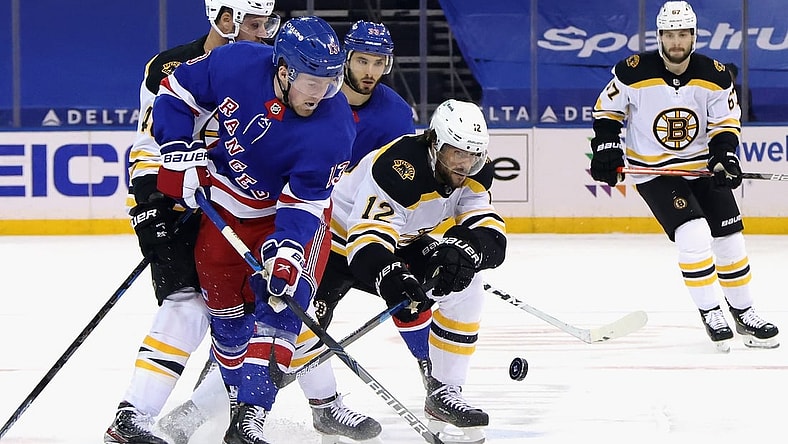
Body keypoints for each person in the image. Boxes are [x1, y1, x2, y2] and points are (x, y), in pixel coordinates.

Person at [152, 20, 415, 444]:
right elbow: (179, 93)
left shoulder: (348, 123)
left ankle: (259, 414)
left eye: (328, 83)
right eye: (313, 81)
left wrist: (289, 249)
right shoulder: (240, 66)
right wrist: (178, 149)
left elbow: (314, 199)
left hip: (316, 219)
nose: (319, 93)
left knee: (286, 311)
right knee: (249, 319)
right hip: (241, 211)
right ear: (285, 70)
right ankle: (228, 409)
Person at [105, 1, 281, 443]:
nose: (264, 32)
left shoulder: (276, 68)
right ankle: (133, 416)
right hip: (184, 203)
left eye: (268, 23)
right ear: (225, 20)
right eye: (254, 23)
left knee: (256, 318)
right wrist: (150, 203)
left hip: (246, 210)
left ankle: (209, 415)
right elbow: (150, 139)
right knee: (186, 303)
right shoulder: (170, 67)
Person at [589, 0, 778, 352]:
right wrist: (606, 148)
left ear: (694, 36)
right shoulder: (632, 72)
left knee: (730, 237)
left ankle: (743, 311)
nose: (677, 42)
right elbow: (607, 112)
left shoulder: (716, 75)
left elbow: (725, 123)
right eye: (670, 35)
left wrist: (724, 157)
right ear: (660, 36)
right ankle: (711, 312)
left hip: (702, 167)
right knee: (693, 233)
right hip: (653, 172)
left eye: (683, 34)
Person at [315, 98, 507, 443]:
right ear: (435, 142)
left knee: (466, 285)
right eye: (455, 153)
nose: (464, 164)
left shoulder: (476, 170)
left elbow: (487, 226)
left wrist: (469, 249)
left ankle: (444, 393)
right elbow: (367, 239)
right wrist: (391, 275)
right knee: (306, 325)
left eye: (472, 155)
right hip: (334, 240)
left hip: (400, 239)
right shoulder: (399, 167)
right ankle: (324, 405)